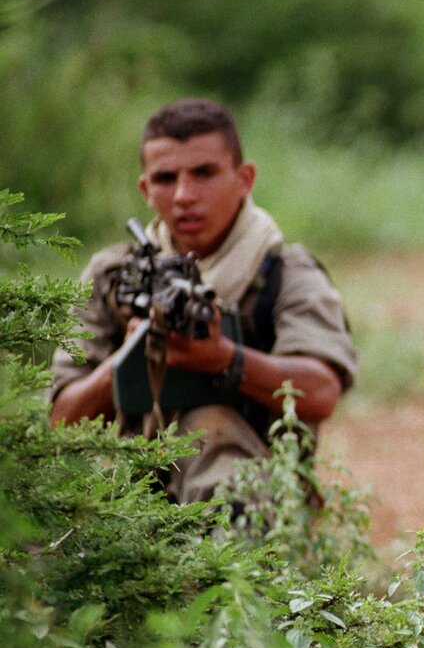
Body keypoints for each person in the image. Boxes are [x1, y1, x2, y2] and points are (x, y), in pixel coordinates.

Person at [50, 98, 357, 505]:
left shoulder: (285, 272)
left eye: (204, 173)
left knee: (211, 431)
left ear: (244, 179)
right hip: (129, 494)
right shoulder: (114, 273)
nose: (183, 195)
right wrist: (127, 362)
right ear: (145, 189)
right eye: (165, 178)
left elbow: (321, 392)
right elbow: (61, 421)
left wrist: (225, 360)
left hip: (254, 490)